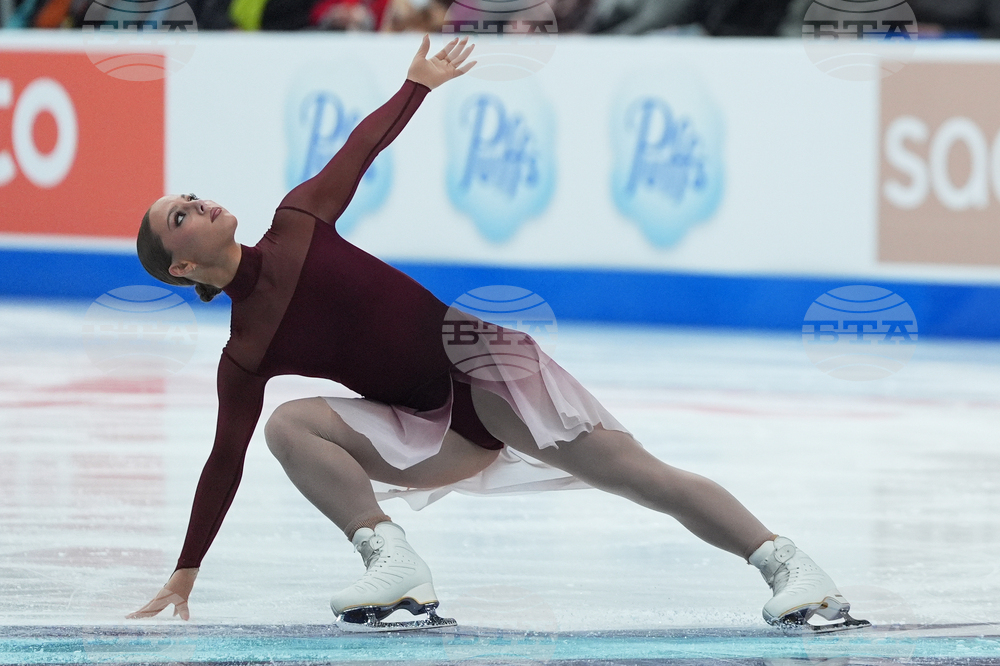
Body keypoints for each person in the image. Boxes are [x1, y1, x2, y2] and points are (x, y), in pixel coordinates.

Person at [126, 35, 863, 631]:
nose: (198, 202)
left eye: (189, 195)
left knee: (640, 478)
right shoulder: (245, 352)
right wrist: (186, 571)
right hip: (431, 432)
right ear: (183, 263)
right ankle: (391, 560)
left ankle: (789, 566)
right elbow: (223, 463)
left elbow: (360, 148)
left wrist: (417, 84)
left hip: (485, 366)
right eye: (180, 215)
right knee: (288, 427)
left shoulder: (298, 221)